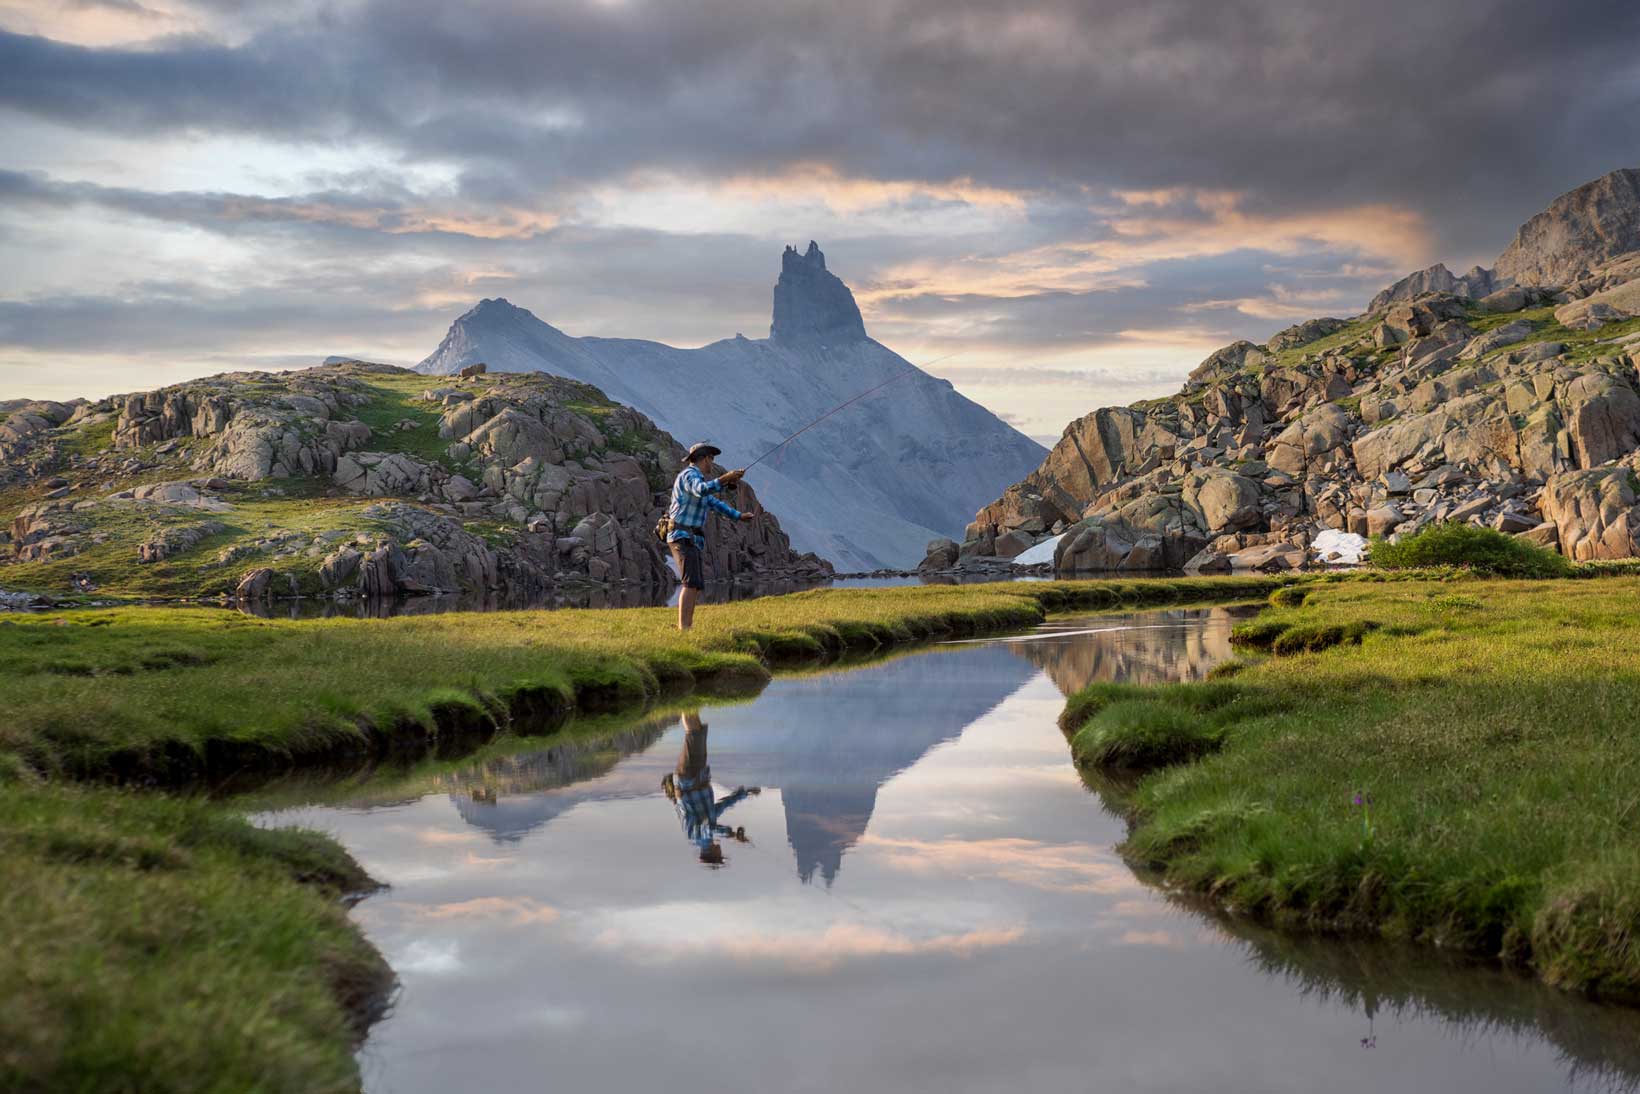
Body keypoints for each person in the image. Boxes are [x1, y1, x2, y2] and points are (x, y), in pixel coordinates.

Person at [666, 442, 754, 631]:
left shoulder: (695, 477)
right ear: (704, 458)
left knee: (694, 583)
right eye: (711, 459)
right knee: (690, 583)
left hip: (690, 537)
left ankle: (686, 626)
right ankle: (684, 628)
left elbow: (713, 502)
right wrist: (724, 479)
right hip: (682, 535)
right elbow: (701, 490)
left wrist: (739, 516)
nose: (712, 463)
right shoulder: (690, 475)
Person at [660, 712, 759, 866]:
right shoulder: (710, 821)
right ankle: (691, 702)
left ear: (712, 853)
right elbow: (723, 805)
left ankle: (685, 701)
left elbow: (708, 828)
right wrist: (744, 794)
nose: (721, 852)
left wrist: (731, 834)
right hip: (700, 776)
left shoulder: (694, 835)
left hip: (687, 779)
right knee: (698, 732)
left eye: (720, 855)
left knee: (692, 735)